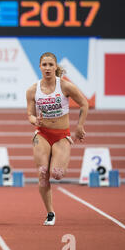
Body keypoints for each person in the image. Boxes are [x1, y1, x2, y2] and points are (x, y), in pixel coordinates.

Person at [25, 52, 88, 225]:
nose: (47, 68)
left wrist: (80, 126)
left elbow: (84, 103)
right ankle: (50, 213)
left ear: (55, 67)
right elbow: (29, 114)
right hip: (42, 134)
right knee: (43, 173)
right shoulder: (32, 90)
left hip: (61, 136)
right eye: (44, 65)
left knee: (57, 174)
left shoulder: (65, 86)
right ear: (39, 67)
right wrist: (34, 120)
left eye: (50, 65)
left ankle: (56, 158)